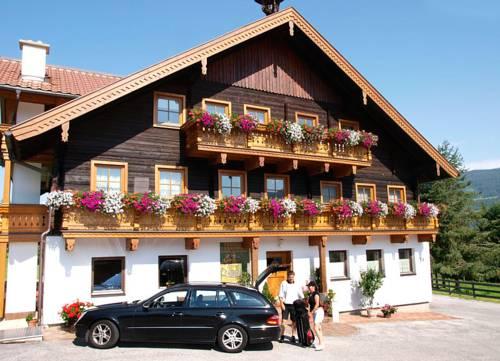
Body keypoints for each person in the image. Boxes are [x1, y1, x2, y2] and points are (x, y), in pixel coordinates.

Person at [278, 270, 304, 343]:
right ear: (288, 277)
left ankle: (293, 336)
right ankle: (282, 336)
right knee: (283, 322)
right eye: (290, 277)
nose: (291, 279)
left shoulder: (297, 284)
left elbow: (301, 295)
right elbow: (280, 294)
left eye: (292, 277)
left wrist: (303, 303)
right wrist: (281, 304)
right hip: (285, 305)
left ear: (294, 277)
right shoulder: (283, 283)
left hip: (294, 305)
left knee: (294, 322)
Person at [307, 281, 324, 351]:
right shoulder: (310, 294)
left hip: (319, 311)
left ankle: (321, 344)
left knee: (316, 328)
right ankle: (321, 343)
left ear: (313, 286)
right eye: (308, 286)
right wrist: (308, 311)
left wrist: (311, 312)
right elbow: (310, 305)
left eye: (309, 286)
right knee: (319, 328)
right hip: (315, 312)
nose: (308, 287)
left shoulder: (316, 294)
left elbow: (317, 304)